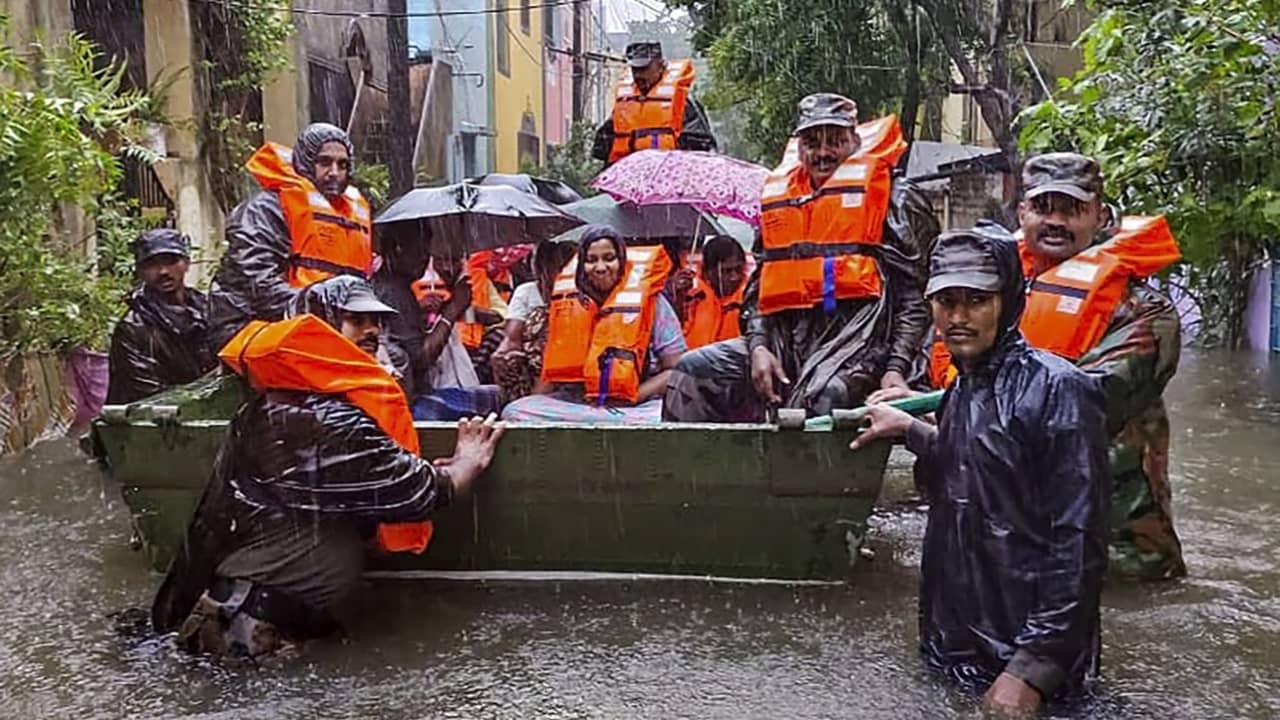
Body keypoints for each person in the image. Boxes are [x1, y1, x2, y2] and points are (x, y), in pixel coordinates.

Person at [150, 276, 505, 660]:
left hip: (267, 623)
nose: (373, 332)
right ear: (316, 325)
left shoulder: (289, 402)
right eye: (356, 320)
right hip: (244, 635)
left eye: (377, 322)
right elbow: (420, 492)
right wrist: (465, 464)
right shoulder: (319, 417)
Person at [852, 224, 1110, 716]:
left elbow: (1079, 545)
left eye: (976, 300)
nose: (958, 317)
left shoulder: (1060, 390)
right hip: (954, 647)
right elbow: (973, 464)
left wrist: (1031, 670)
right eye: (946, 301)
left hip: (1028, 668)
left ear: (1009, 301)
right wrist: (908, 429)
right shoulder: (963, 388)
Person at [924, 153, 1186, 581]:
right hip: (1019, 528)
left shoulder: (1146, 314)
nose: (1056, 222)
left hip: (1115, 538)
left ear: (1099, 216)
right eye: (1043, 207)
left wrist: (928, 427)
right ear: (1021, 211)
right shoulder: (991, 299)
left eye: (1073, 210)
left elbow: (1083, 404)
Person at [663, 93, 938, 423]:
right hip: (786, 342)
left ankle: (806, 475)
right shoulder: (783, 202)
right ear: (799, 146)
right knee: (693, 372)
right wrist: (760, 346)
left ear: (854, 140)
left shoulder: (897, 199)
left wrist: (897, 368)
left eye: (835, 141)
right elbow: (759, 292)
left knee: (823, 395)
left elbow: (917, 298)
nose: (823, 153)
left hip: (863, 347)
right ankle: (691, 473)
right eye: (812, 142)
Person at [207, 123, 373, 348]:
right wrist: (315, 310)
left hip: (326, 325)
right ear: (305, 162)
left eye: (342, 164)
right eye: (324, 162)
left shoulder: (352, 215)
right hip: (253, 324)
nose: (334, 172)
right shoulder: (266, 209)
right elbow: (257, 281)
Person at [502, 225, 687, 423]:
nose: (600, 268)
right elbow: (550, 377)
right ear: (581, 265)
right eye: (591, 260)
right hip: (577, 403)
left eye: (609, 258)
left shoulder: (653, 302)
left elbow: (676, 368)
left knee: (663, 418)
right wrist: (533, 400)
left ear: (622, 261)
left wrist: (635, 397)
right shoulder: (567, 303)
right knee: (515, 412)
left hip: (636, 407)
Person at [372, 229, 504, 421]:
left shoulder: (390, 286)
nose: (424, 261)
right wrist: (452, 310)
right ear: (397, 249)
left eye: (427, 254)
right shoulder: (394, 291)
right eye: (419, 253)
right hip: (414, 402)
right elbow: (421, 359)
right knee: (497, 398)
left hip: (412, 393)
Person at [107, 229, 217, 404]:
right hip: (157, 422)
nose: (163, 271)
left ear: (187, 263)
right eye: (152, 264)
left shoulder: (209, 309)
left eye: (171, 261)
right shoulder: (133, 328)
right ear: (140, 271)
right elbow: (148, 396)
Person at [591, 41, 717, 166]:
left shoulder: (684, 103)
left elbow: (702, 148)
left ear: (661, 66)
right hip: (630, 175)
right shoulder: (624, 102)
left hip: (670, 174)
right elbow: (602, 148)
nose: (638, 75)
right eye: (635, 70)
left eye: (644, 69)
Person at [490, 240, 579, 402]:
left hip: (566, 369)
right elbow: (511, 337)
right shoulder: (526, 292)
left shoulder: (580, 293)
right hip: (533, 367)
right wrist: (502, 355)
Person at [681, 236, 748, 350]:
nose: (734, 277)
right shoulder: (689, 296)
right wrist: (676, 298)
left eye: (738, 269)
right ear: (708, 271)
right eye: (726, 271)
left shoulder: (751, 299)